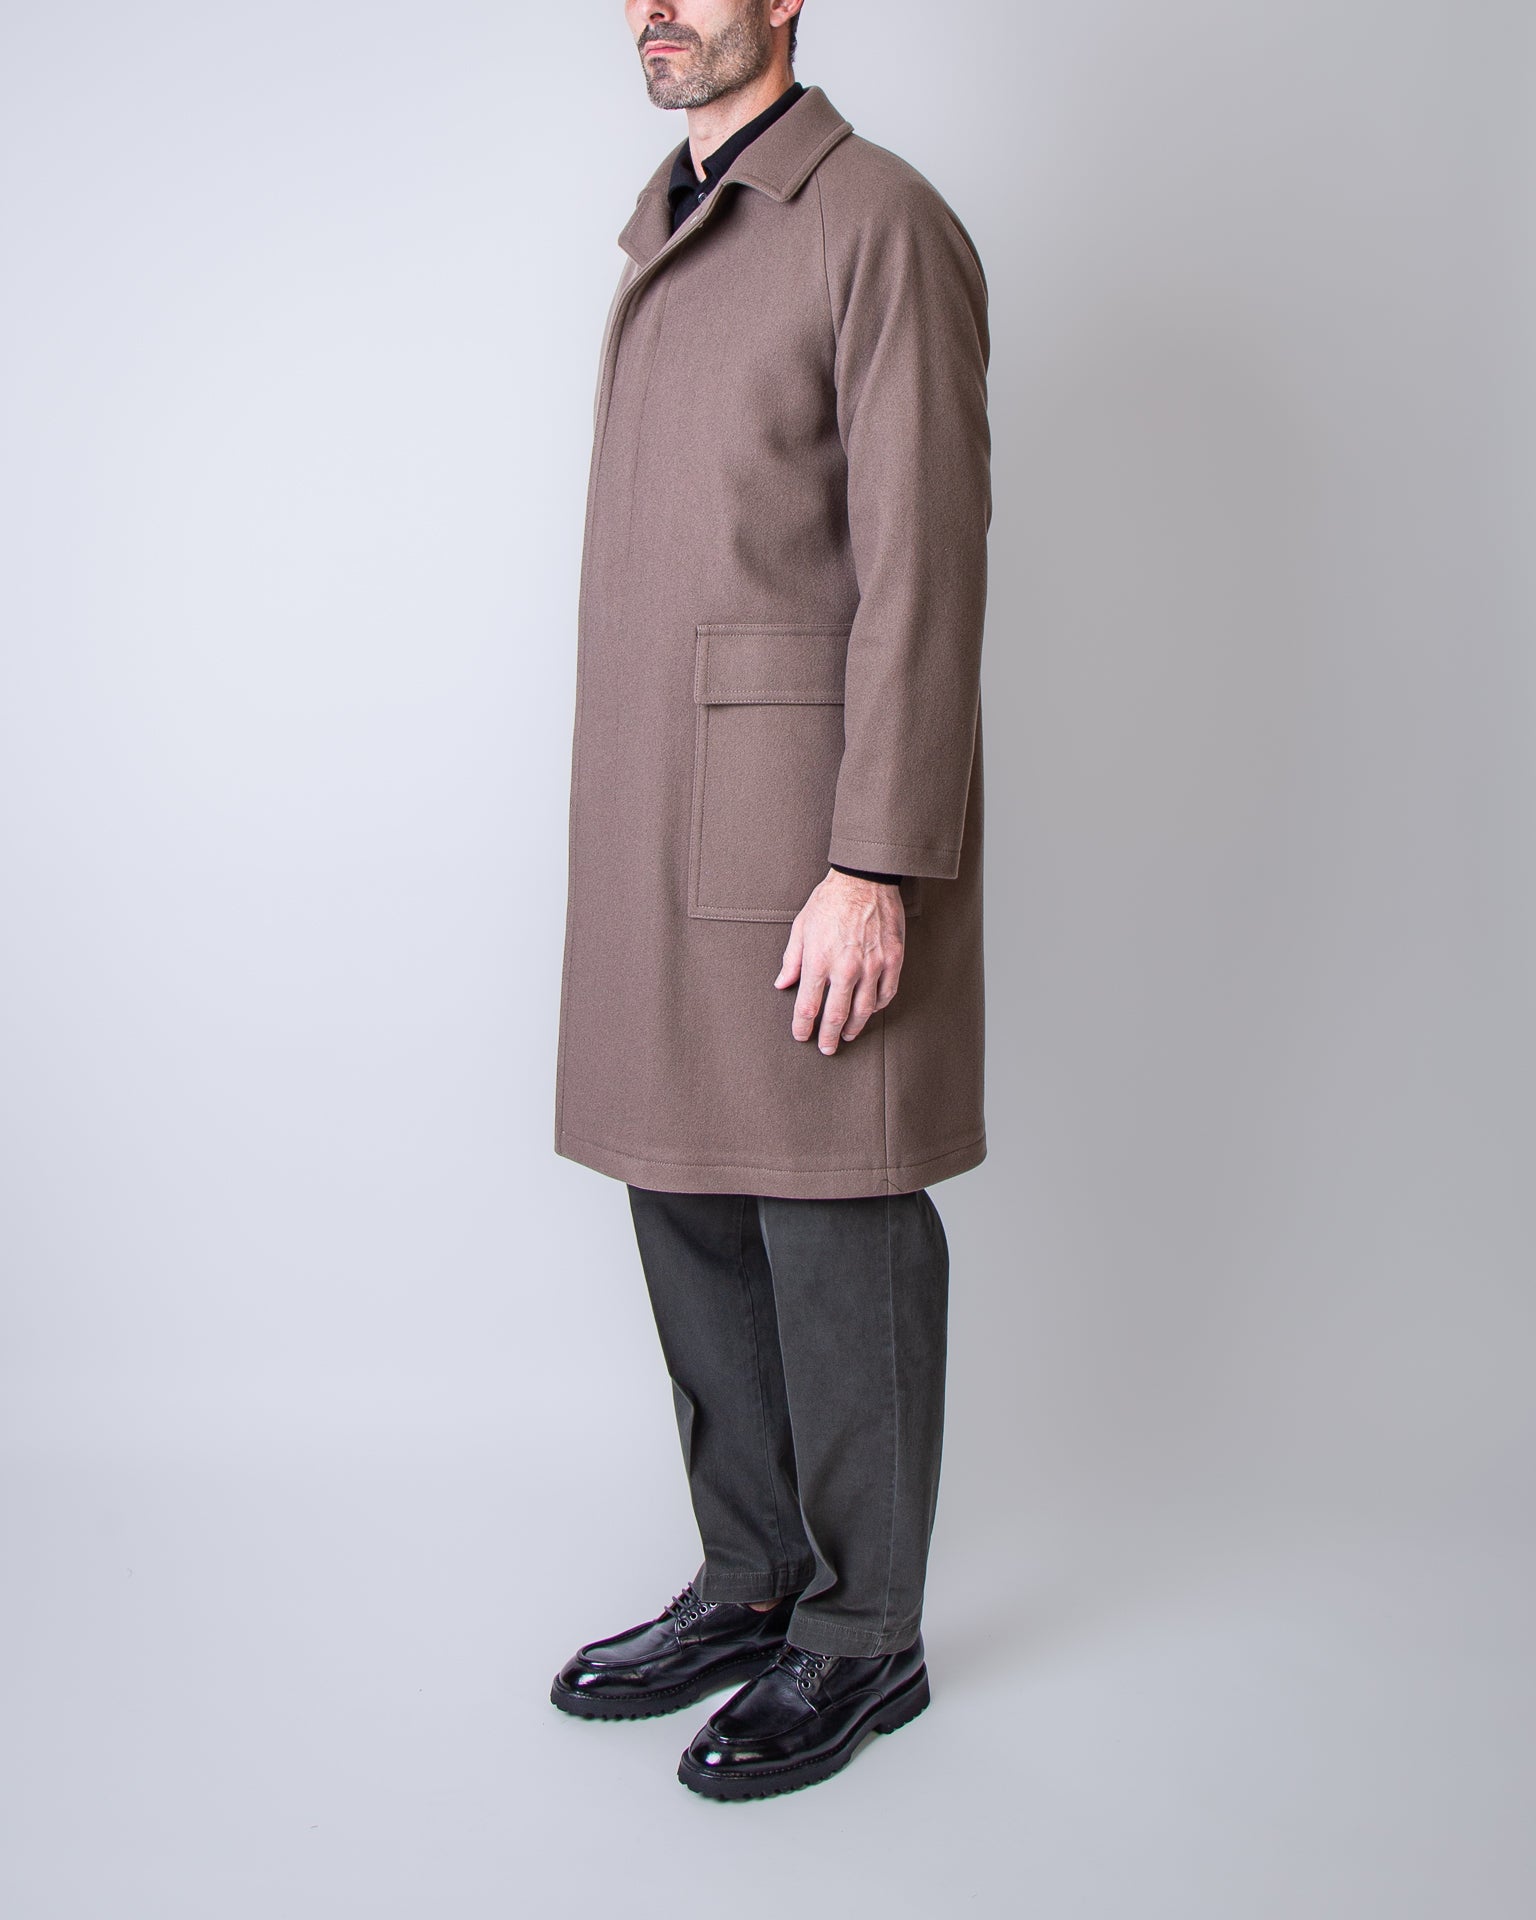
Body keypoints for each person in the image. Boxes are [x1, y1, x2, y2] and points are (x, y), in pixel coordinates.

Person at [549, 0, 992, 1800]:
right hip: (660, 808)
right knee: (685, 1197)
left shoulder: (876, 219)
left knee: (834, 1220)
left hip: (807, 826)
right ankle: (749, 1582)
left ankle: (863, 1633)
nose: (653, 8)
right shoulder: (672, 221)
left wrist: (873, 860)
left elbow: (926, 563)